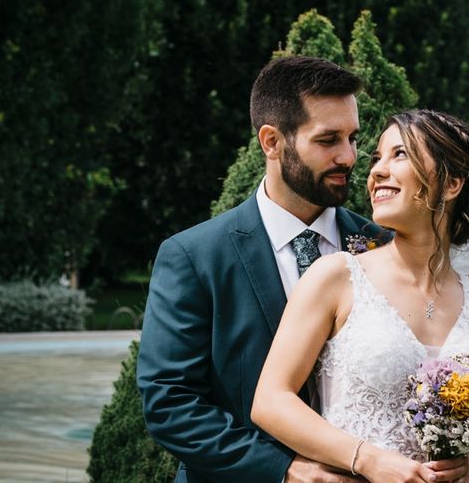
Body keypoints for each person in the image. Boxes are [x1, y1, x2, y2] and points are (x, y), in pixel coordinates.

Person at [137, 55, 385, 482]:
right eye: (328, 140)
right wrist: (284, 470)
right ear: (271, 142)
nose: (348, 156)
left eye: (353, 137)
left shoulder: (383, 248)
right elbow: (170, 403)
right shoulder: (194, 257)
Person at [251, 109, 469, 482]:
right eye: (376, 158)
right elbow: (271, 401)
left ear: (452, 184)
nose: (376, 171)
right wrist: (367, 460)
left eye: (399, 154)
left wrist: (467, 460)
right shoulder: (336, 276)